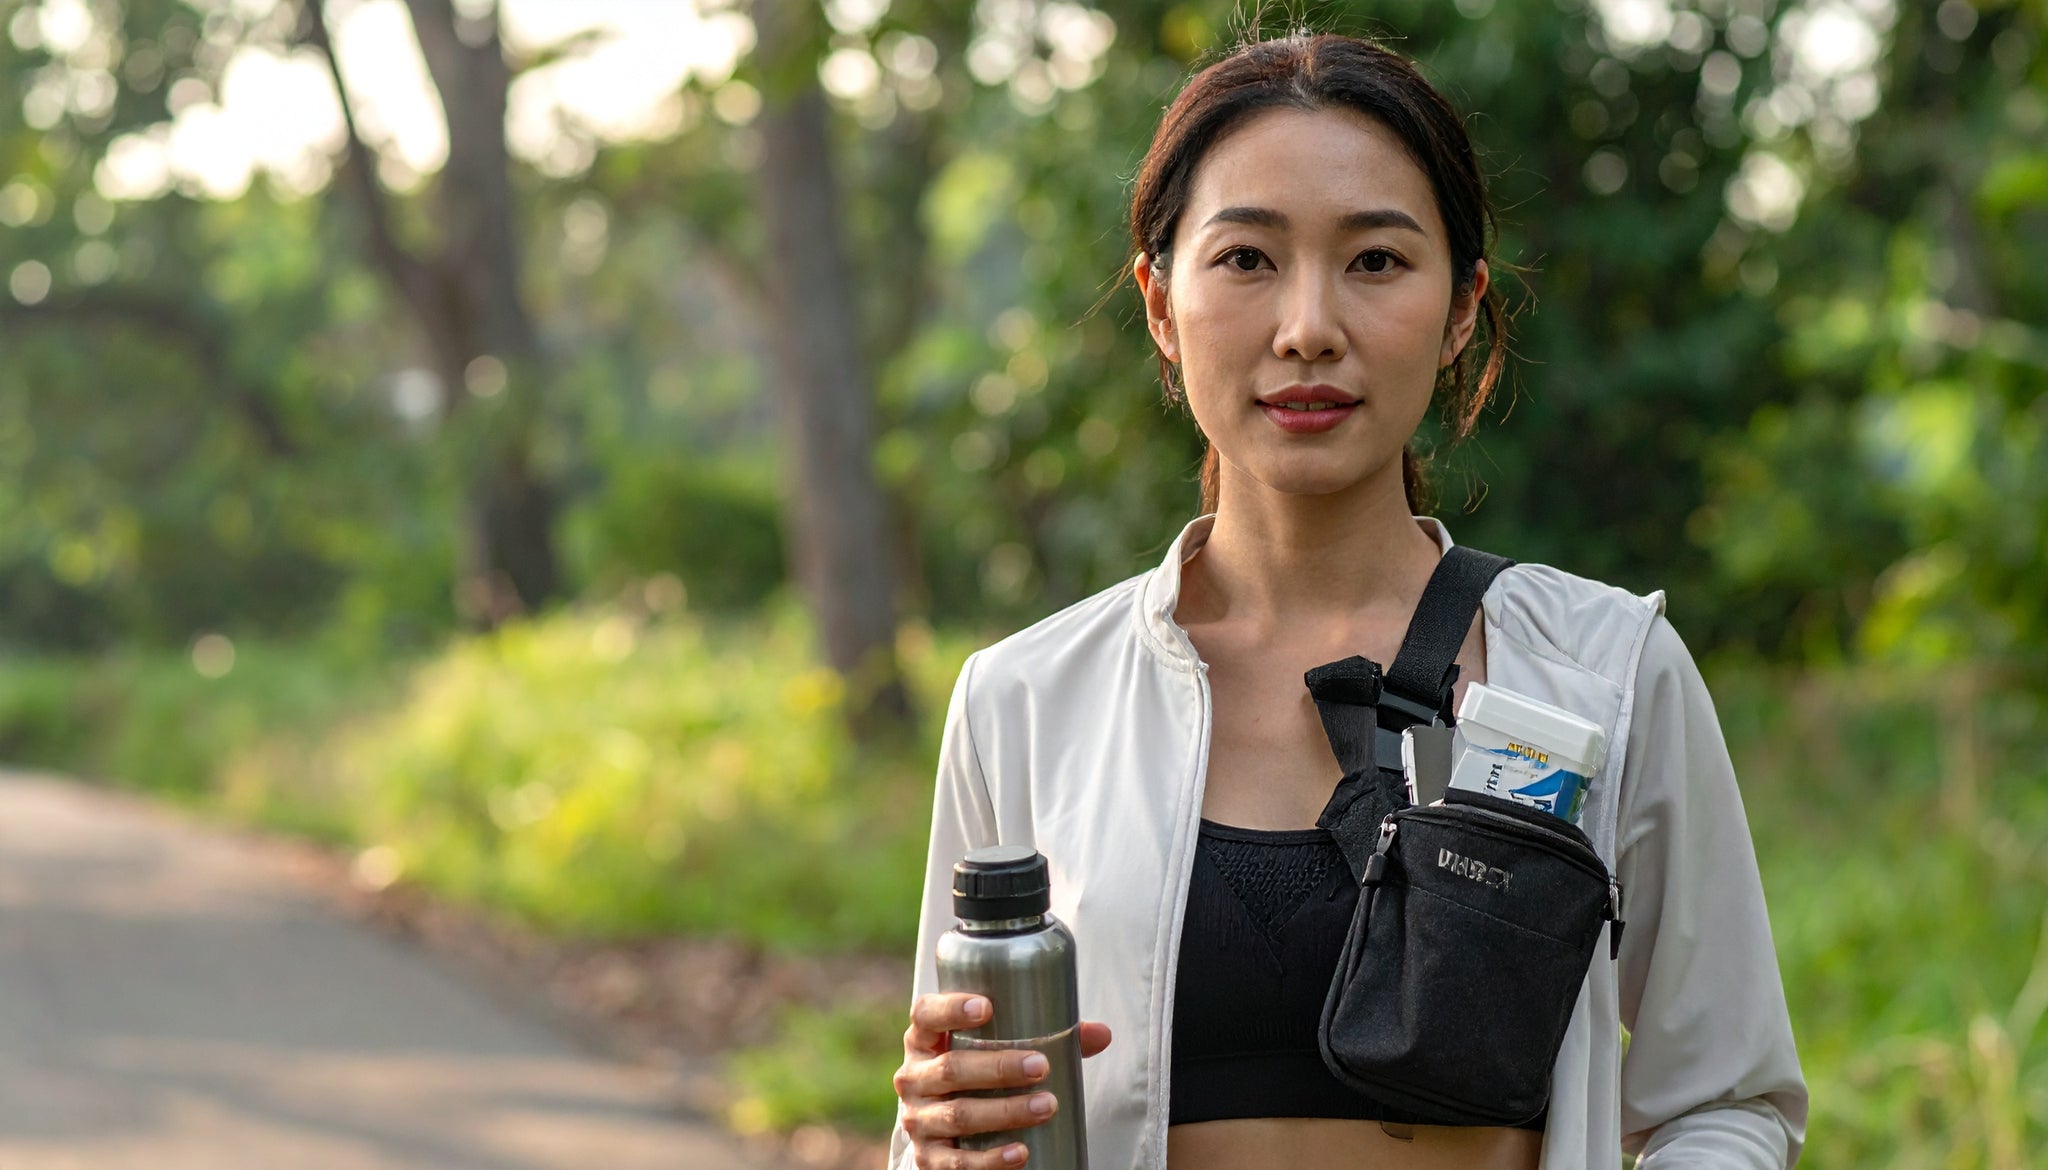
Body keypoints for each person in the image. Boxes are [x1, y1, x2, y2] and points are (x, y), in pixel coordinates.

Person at [888, 32, 1806, 1170]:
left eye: (1374, 260)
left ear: (1461, 305)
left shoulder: (1607, 670)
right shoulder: (1024, 700)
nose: (1308, 326)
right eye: (1244, 259)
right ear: (1160, 305)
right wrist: (942, 1142)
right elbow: (946, 1126)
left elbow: (1726, 1102)